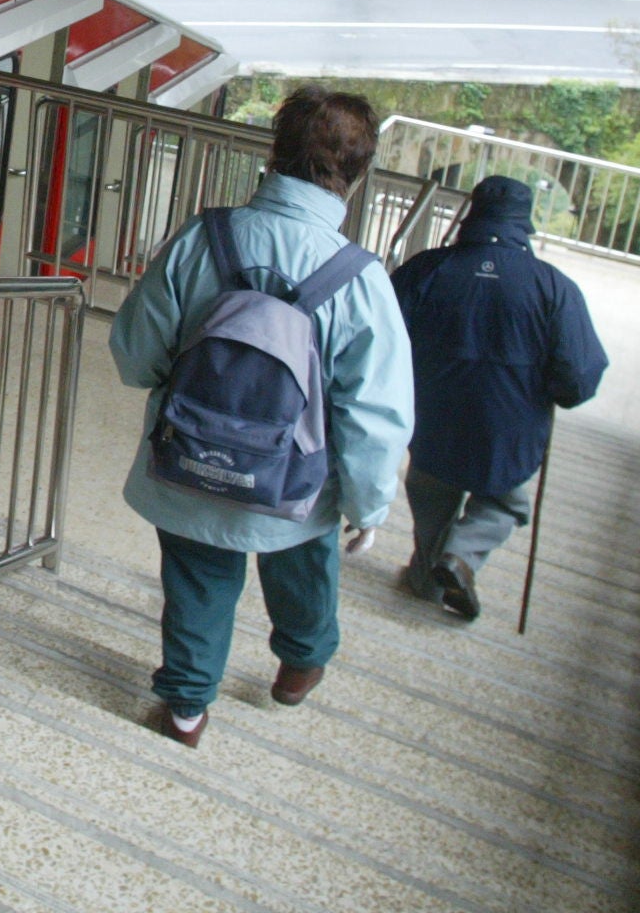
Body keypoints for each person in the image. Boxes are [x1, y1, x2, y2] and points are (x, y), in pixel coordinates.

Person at [109, 86, 414, 749]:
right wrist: (369, 504)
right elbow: (374, 412)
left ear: (274, 154)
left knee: (198, 571)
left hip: (190, 459)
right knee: (304, 558)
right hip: (297, 482)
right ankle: (302, 661)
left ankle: (186, 707)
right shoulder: (360, 278)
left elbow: (135, 355)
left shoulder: (203, 237)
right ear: (355, 178)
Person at [389, 175, 609, 621]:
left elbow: (381, 336)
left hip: (433, 416)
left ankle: (427, 578)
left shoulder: (426, 269)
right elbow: (580, 376)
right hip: (511, 426)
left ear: (470, 213)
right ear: (525, 223)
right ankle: (463, 556)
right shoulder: (553, 287)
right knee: (504, 501)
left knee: (433, 496)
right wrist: (556, 389)